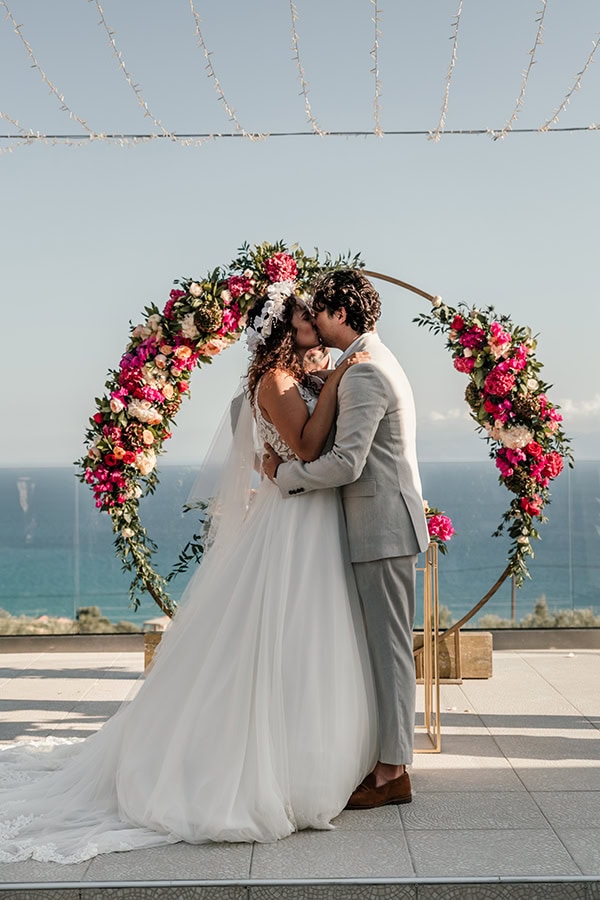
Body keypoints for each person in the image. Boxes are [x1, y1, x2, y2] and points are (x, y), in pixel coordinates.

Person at [0, 291, 377, 864]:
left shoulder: (306, 371)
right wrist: (340, 378)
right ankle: (263, 764)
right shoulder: (275, 381)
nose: (315, 328)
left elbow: (277, 445)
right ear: (283, 329)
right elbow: (302, 444)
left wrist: (329, 379)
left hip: (315, 513)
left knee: (311, 632)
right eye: (304, 319)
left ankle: (321, 750)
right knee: (279, 628)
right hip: (294, 518)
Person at [263, 269, 429, 809]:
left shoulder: (363, 372)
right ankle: (383, 758)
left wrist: (282, 476)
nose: (314, 319)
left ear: (339, 313)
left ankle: (392, 773)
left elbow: (344, 464)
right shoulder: (368, 361)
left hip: (380, 527)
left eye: (320, 310)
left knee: (389, 651)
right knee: (381, 648)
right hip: (380, 524)